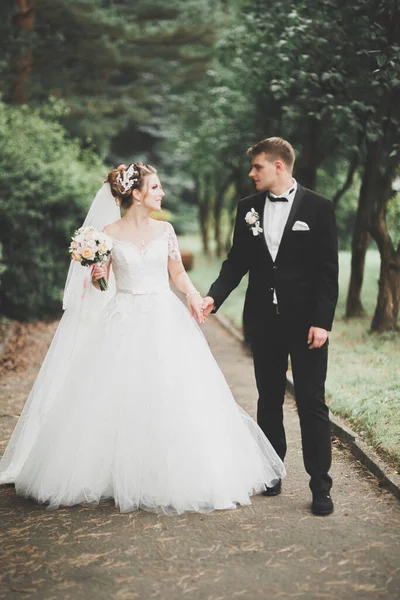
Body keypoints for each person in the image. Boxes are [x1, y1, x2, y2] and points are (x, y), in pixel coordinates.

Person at [0, 162, 285, 514]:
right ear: (135, 194)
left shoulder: (165, 230)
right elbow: (99, 283)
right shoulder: (106, 232)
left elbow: (177, 272)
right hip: (122, 318)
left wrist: (195, 296)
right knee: (117, 394)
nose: (161, 192)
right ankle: (114, 471)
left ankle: (168, 471)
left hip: (165, 316)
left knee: (171, 391)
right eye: (155, 188)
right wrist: (99, 274)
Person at [202, 138, 339, 516]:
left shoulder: (319, 207)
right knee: (269, 399)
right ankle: (271, 471)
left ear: (279, 166)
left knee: (312, 403)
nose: (251, 173)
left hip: (308, 325)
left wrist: (322, 323)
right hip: (264, 321)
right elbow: (237, 261)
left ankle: (320, 487)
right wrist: (214, 297)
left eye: (257, 166)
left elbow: (329, 272)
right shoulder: (247, 209)